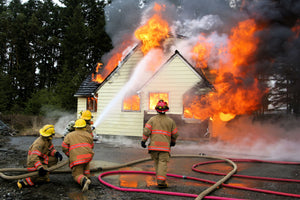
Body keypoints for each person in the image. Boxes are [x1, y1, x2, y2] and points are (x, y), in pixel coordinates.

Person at [141, 100, 178, 188]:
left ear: (157, 110)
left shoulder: (152, 120)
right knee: (162, 163)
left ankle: (159, 179)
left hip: (153, 147)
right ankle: (161, 182)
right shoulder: (170, 121)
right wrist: (173, 142)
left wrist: (143, 141)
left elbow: (146, 131)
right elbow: (175, 134)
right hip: (164, 148)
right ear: (166, 110)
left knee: (157, 163)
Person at [17, 124, 63, 188]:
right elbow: (34, 157)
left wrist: (56, 153)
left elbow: (51, 150)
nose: (52, 136)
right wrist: (40, 168)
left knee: (54, 159)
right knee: (38, 177)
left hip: (42, 160)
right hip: (33, 162)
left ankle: (45, 174)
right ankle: (25, 182)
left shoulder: (47, 140)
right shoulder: (39, 143)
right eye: (52, 135)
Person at [62, 118, 94, 192]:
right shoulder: (89, 135)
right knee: (85, 167)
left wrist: (69, 155)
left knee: (76, 175)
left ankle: (84, 180)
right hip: (88, 157)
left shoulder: (69, 135)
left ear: (75, 127)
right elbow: (92, 146)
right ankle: (87, 177)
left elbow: (64, 147)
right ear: (85, 127)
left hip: (77, 159)